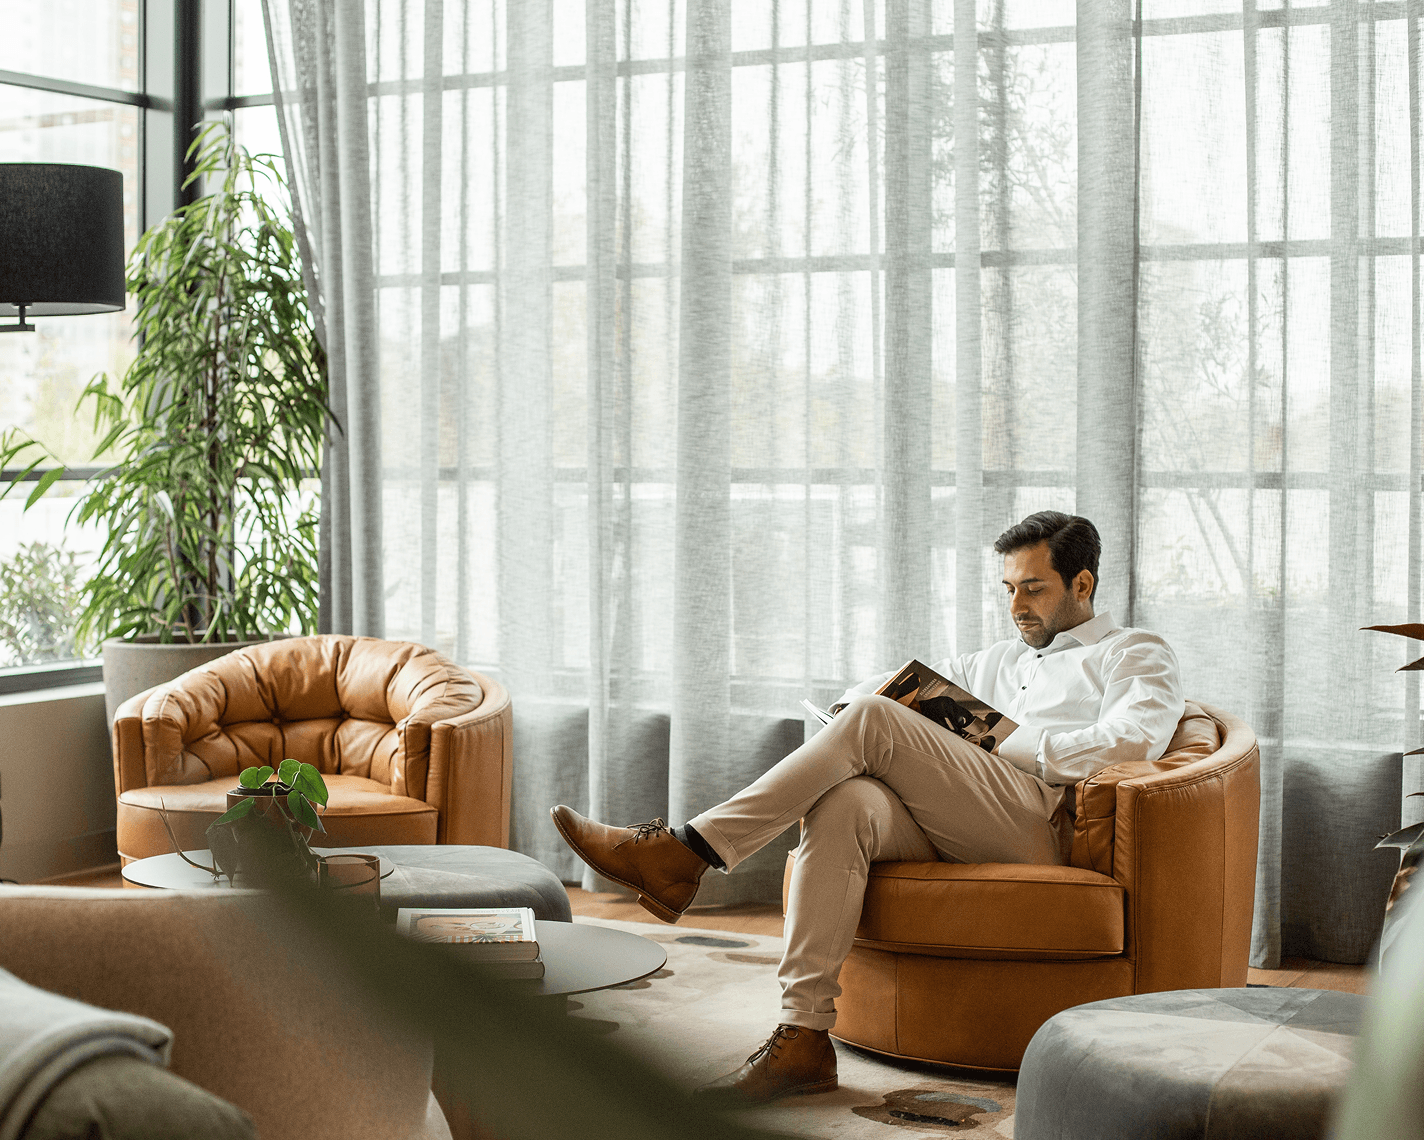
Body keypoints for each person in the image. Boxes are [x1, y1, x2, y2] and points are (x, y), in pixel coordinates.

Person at [551, 511, 1184, 1105]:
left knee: (878, 721)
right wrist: (859, 711)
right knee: (847, 799)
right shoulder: (994, 661)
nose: (1016, 607)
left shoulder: (1133, 652)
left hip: (1043, 825)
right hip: (961, 821)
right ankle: (802, 1038)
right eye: (1008, 588)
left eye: (1034, 589)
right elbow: (881, 695)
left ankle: (684, 851)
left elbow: (1132, 741)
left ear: (1082, 582)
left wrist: (1004, 745)